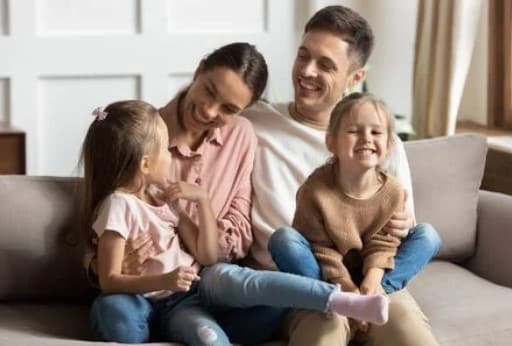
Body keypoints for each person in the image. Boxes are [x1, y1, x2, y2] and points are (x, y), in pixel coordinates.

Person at [81, 100, 390, 346]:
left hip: (193, 292)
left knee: (237, 283)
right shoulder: (119, 205)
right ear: (145, 164)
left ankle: (339, 300)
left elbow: (206, 257)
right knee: (205, 335)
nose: (170, 155)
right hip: (165, 300)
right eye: (164, 149)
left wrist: (199, 201)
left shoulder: (162, 197)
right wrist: (164, 281)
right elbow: (109, 280)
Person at [241, 5, 442, 346]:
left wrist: (398, 230)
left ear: (355, 78)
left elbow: (401, 228)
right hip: (299, 284)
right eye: (303, 55)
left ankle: (361, 304)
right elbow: (186, 120)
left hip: (372, 282)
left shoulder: (379, 141)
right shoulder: (254, 124)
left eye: (325, 64)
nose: (306, 70)